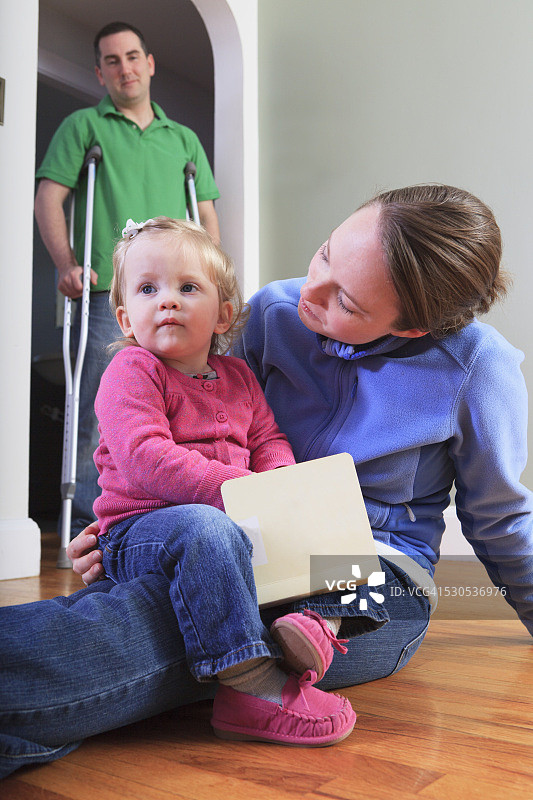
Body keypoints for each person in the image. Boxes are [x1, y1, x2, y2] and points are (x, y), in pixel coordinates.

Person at [2, 184, 532, 778]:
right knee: (181, 600)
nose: (310, 292)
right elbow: (206, 431)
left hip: (370, 579)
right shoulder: (273, 313)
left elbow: (502, 520)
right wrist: (125, 522)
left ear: (411, 329)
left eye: (348, 305)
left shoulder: (477, 369)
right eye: (325, 255)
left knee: (161, 620)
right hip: (240, 535)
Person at [91, 215, 355, 746]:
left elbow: (268, 438)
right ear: (125, 317)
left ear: (223, 315)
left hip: (235, 515)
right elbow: (146, 458)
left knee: (334, 512)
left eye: (188, 287)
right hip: (144, 529)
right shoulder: (133, 372)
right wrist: (241, 491)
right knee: (207, 529)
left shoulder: (238, 377)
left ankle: (321, 625)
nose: (167, 300)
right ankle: (248, 685)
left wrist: (279, 480)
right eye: (148, 289)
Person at [34, 21, 221, 537]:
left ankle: (165, 506)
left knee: (185, 398)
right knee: (101, 402)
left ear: (150, 62)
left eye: (133, 56)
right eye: (112, 60)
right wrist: (67, 263)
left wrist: (213, 278)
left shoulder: (182, 138)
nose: (125, 68)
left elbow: (205, 217)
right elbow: (49, 198)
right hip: (107, 293)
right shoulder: (82, 127)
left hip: (178, 292)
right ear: (100, 72)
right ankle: (92, 522)